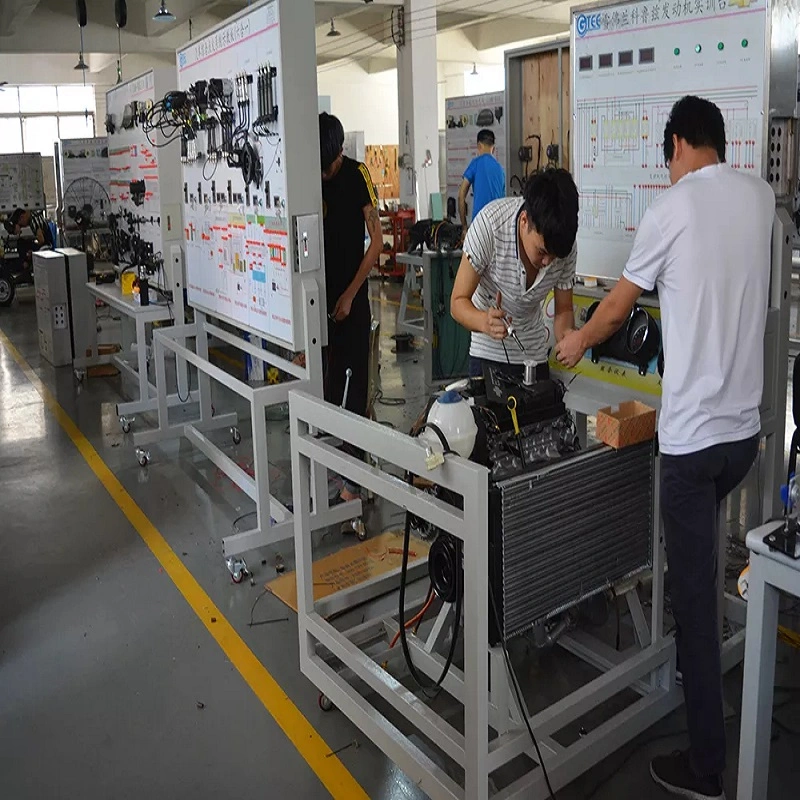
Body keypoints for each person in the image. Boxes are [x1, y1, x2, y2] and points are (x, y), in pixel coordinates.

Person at [555, 95, 775, 800]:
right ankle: (693, 671)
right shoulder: (761, 197)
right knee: (703, 568)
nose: (670, 166)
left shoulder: (671, 210)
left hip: (694, 443)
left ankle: (708, 766)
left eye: (668, 154)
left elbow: (619, 306)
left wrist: (577, 340)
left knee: (695, 600)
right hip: (745, 436)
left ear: (678, 143)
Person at [450, 168, 579, 378]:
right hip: (488, 353)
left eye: (555, 257)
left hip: (534, 355)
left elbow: (564, 310)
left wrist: (567, 337)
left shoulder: (565, 245)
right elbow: (457, 302)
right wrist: (485, 321)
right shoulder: (489, 226)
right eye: (542, 252)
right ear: (524, 221)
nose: (547, 263)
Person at [319, 111, 383, 502]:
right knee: (325, 390)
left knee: (355, 389)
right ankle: (335, 473)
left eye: (329, 167)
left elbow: (376, 243)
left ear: (339, 152)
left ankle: (353, 484)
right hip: (320, 302)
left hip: (352, 301)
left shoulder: (359, 176)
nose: (325, 175)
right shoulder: (310, 175)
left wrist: (350, 295)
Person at [458, 128, 506, 232]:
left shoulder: (475, 163)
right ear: (493, 148)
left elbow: (461, 195)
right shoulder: (500, 169)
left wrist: (464, 227)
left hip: (479, 226)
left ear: (479, 145)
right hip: (498, 227)